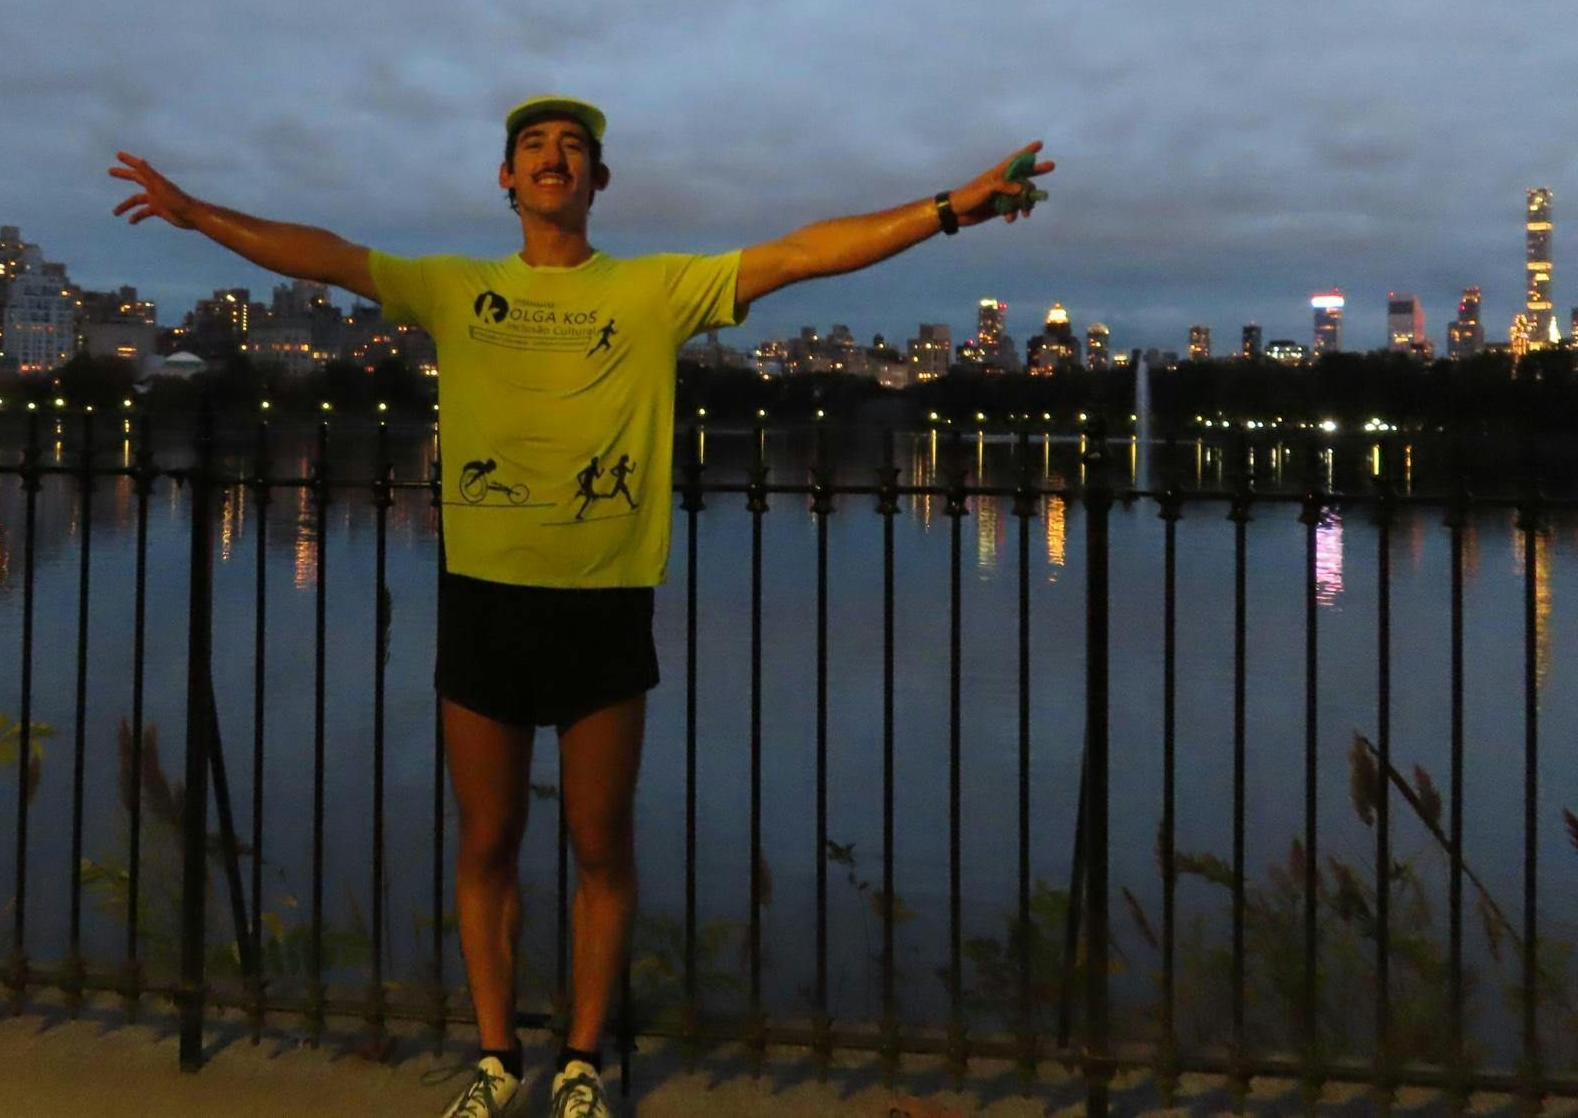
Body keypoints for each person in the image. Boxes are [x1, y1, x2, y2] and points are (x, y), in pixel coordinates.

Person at [108, 97, 1053, 1118]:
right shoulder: (454, 289)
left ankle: (580, 1058)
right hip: (483, 602)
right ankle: (492, 1057)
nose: (552, 158)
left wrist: (952, 208)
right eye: (532, 147)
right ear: (505, 182)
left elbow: (801, 255)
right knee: (486, 843)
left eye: (572, 149)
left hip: (602, 604)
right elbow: (325, 256)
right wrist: (198, 213)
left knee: (601, 847)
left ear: (597, 183)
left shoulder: (655, 290)